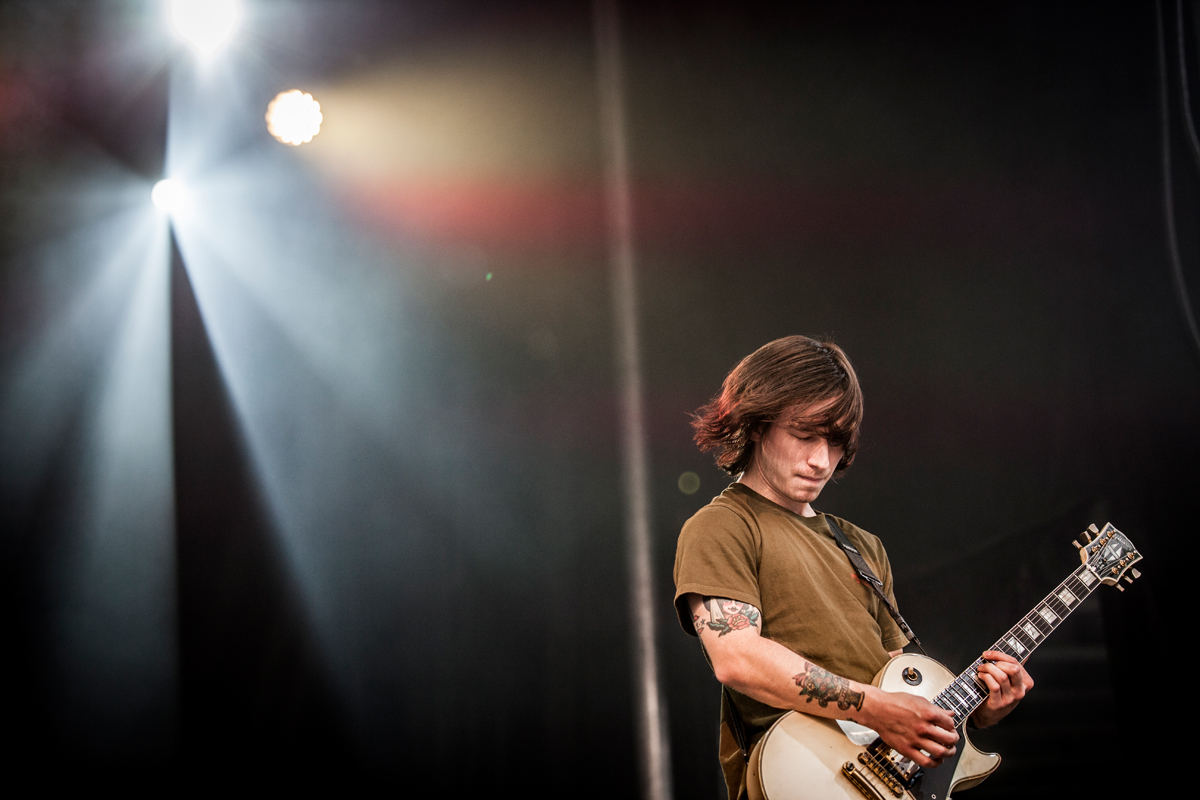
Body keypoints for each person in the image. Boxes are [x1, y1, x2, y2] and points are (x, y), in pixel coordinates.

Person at [673, 335, 1032, 800]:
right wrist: (875, 708)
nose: (821, 461)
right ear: (757, 424)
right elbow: (737, 658)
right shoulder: (723, 525)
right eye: (804, 436)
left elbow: (899, 675)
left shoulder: (862, 546)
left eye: (836, 443)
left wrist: (972, 710)